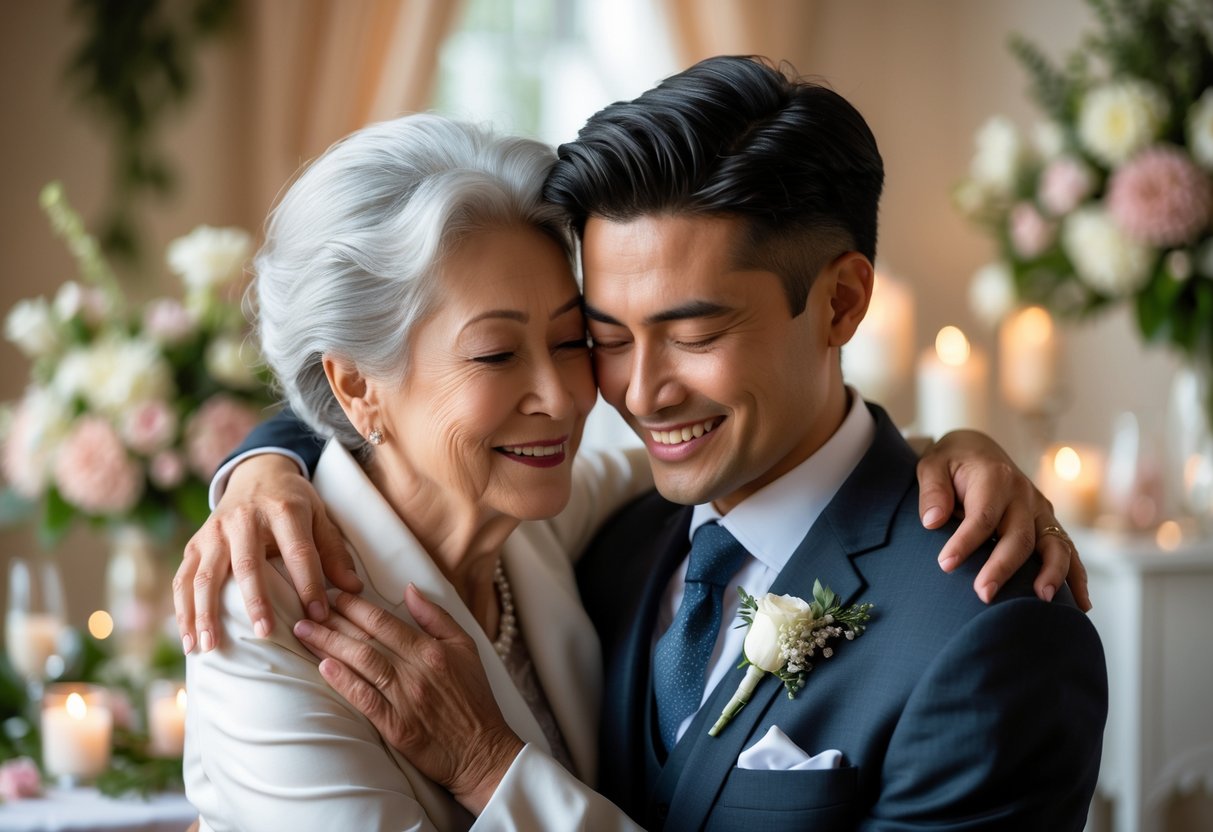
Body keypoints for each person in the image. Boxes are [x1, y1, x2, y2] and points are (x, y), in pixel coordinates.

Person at [179, 60, 1102, 830]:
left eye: (691, 334)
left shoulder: (990, 626)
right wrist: (260, 467)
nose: (617, 392)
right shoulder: (612, 533)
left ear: (842, 304)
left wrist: (952, 445)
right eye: (608, 334)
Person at [183, 114, 660, 829]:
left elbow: (704, 453)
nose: (564, 396)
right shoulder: (263, 616)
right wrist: (479, 762)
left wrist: (890, 458)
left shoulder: (538, 517)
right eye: (496, 354)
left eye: (570, 340)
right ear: (356, 388)